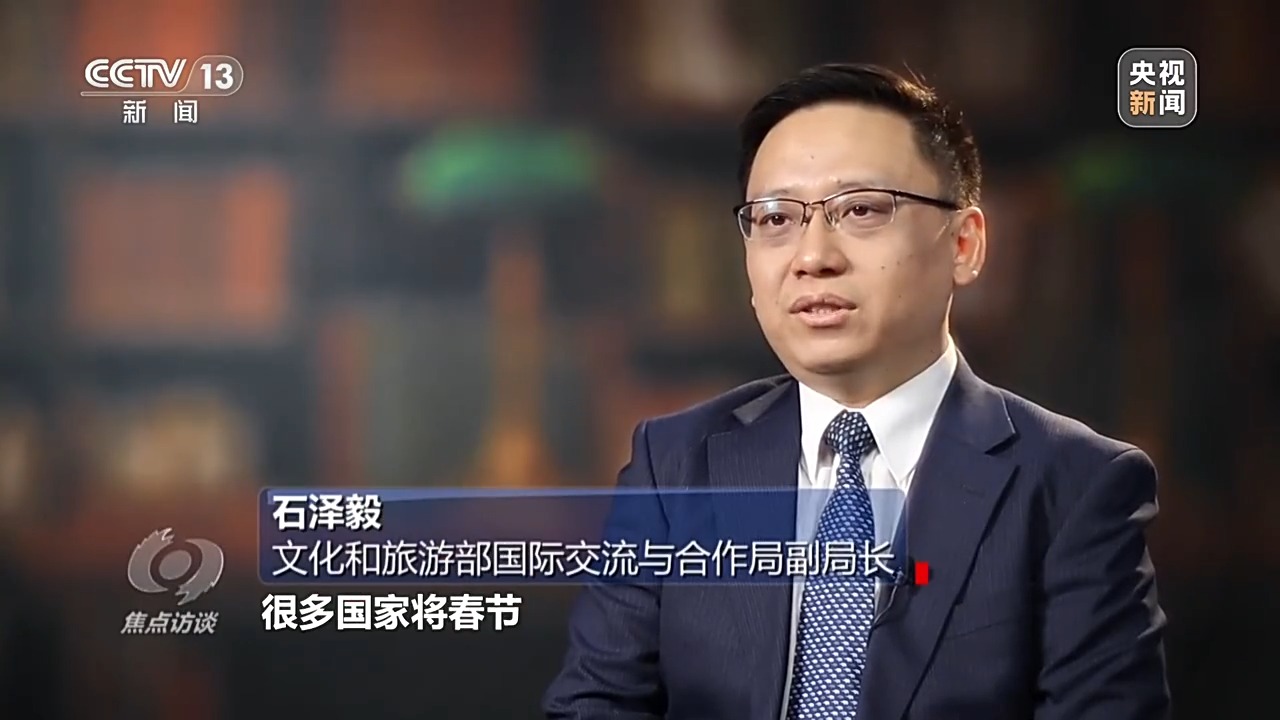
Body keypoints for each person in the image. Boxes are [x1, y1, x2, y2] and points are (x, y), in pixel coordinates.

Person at [543, 62, 1170, 720]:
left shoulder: (1077, 485)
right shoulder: (674, 464)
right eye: (775, 218)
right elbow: (597, 703)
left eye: (862, 210)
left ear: (964, 244)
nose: (813, 257)